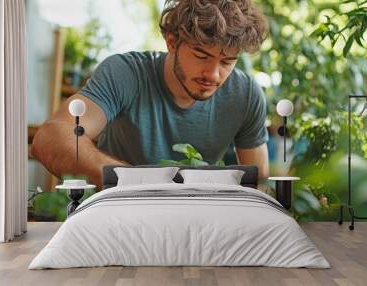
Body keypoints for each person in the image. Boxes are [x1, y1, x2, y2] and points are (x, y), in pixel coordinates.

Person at [32, 0, 270, 187]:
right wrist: (134, 180)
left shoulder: (246, 94)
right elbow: (51, 139)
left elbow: (259, 183)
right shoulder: (126, 74)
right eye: (201, 56)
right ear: (172, 42)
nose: (214, 75)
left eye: (227, 62)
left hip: (198, 223)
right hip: (118, 216)